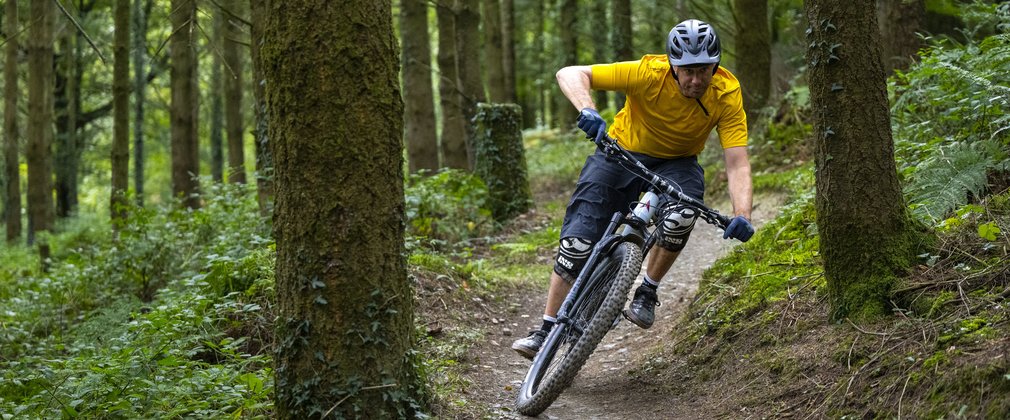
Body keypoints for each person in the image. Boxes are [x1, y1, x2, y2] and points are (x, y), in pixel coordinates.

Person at [511, 19, 755, 360]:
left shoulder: (726, 92)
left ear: (715, 66)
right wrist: (588, 109)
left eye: (704, 70)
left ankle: (647, 291)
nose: (696, 80)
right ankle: (546, 328)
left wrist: (742, 213)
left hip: (678, 162)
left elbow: (737, 161)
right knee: (576, 243)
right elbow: (570, 72)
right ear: (673, 66)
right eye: (687, 71)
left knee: (682, 215)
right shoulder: (647, 73)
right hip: (620, 152)